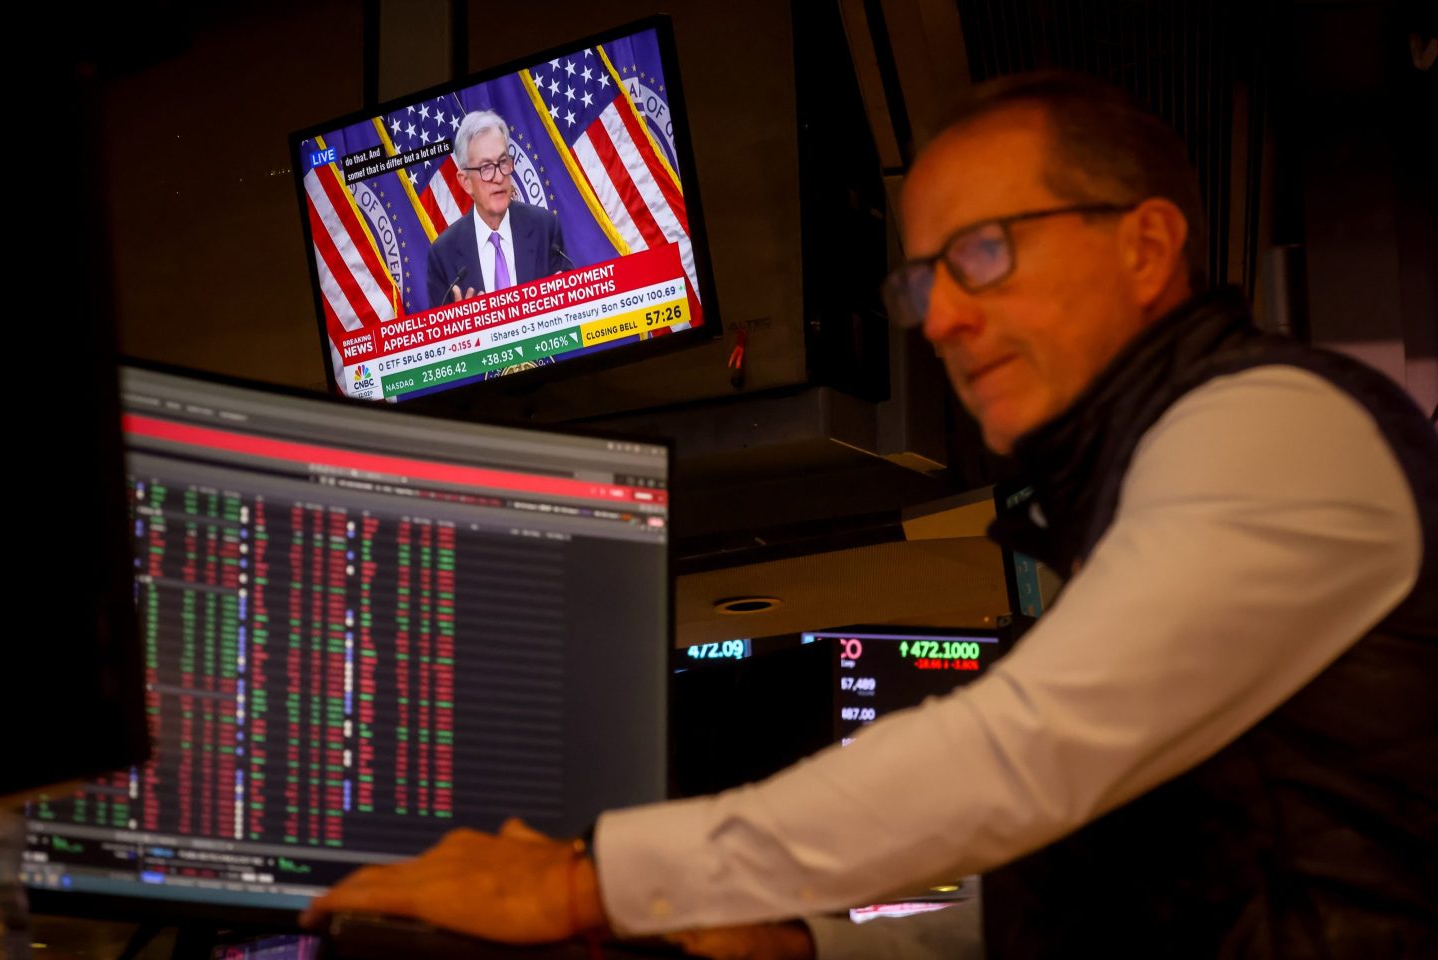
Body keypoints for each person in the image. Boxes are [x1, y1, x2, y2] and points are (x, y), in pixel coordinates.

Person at [305, 72, 1436, 958]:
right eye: (924, 280)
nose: (940, 320)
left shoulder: (1278, 423)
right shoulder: (1123, 496)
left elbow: (1021, 752)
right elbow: (1114, 902)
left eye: (983, 253)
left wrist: (586, 880)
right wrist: (814, 946)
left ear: (1145, 247)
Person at [424, 110, 567, 308]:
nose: (498, 177)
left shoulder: (545, 228)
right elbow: (440, 327)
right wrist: (459, 323)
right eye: (486, 168)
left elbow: (570, 310)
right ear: (466, 182)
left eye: (502, 162)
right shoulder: (443, 255)